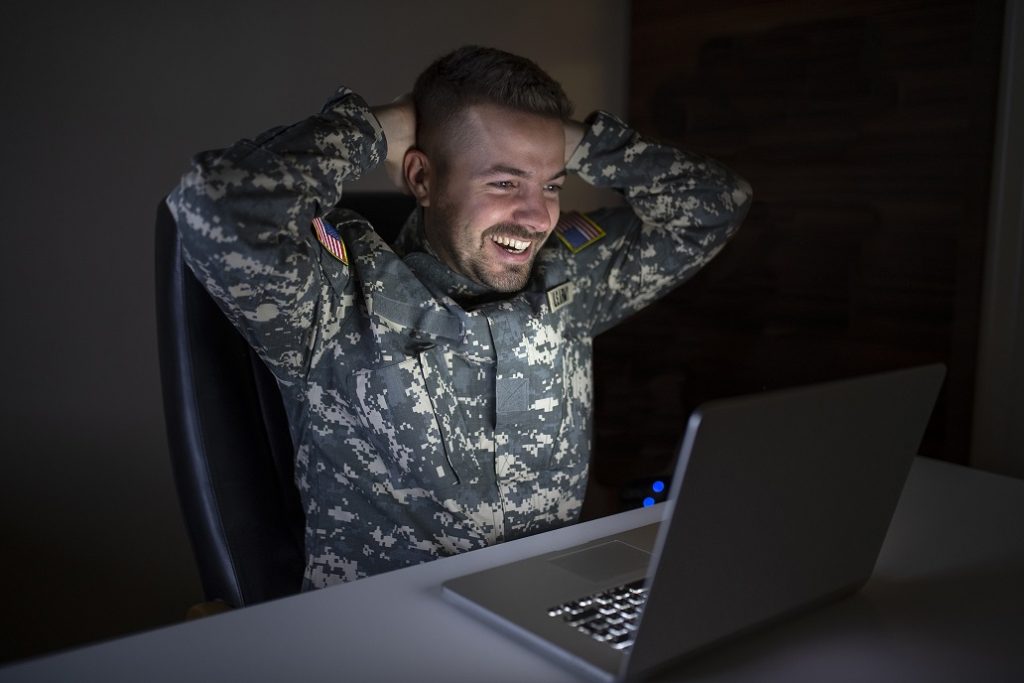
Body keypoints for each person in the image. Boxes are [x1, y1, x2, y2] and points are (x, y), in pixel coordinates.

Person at [167, 46, 751, 590]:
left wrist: (583, 143)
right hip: (386, 641)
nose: (536, 216)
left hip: (550, 609)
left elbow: (717, 203)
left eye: (551, 184)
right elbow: (217, 201)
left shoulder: (572, 276)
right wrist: (380, 126)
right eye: (503, 181)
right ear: (422, 178)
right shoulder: (331, 298)